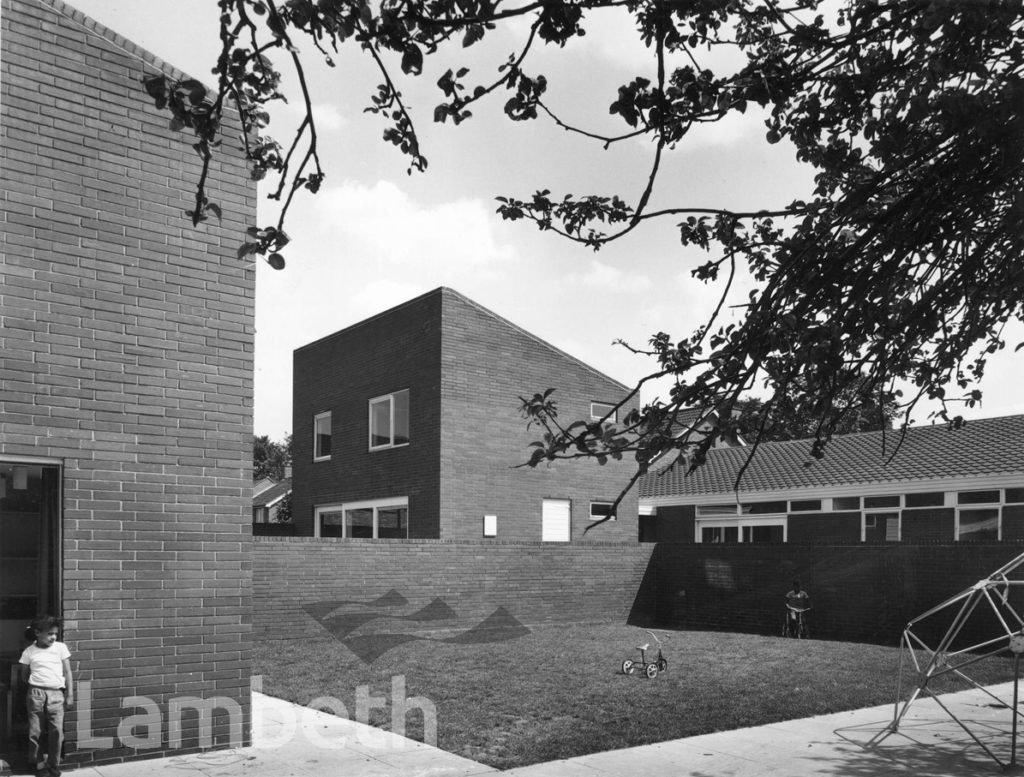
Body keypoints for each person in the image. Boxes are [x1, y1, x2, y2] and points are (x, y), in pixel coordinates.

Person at [17, 615, 74, 777]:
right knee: (36, 730)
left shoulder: (60, 648)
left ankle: (54, 763)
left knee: (56, 730)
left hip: (56, 693)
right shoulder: (29, 652)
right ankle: (40, 764)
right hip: (36, 693)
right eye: (49, 634)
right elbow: (24, 675)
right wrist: (36, 686)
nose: (53, 637)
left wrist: (70, 694)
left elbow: (68, 672)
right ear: (37, 633)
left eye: (55, 633)